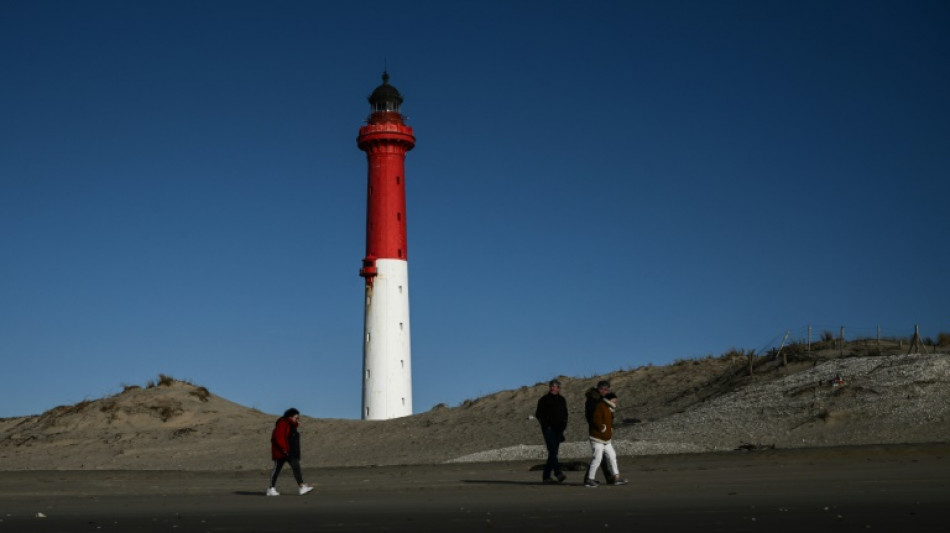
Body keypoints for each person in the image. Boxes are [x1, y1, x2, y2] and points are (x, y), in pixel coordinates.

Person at [266, 408, 314, 496]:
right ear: (290, 417)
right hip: (281, 452)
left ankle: (302, 487)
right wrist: (284, 449)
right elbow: (278, 437)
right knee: (277, 470)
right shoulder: (283, 423)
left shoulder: (292, 426)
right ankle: (271, 488)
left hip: (291, 453)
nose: (298, 419)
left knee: (296, 467)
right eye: (296, 417)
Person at [584, 392, 629, 487]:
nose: (615, 401)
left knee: (612, 456)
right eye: (614, 400)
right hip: (597, 438)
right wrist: (602, 428)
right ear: (609, 400)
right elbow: (595, 419)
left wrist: (609, 429)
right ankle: (589, 479)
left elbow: (609, 422)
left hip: (606, 439)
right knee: (597, 458)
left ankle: (616, 478)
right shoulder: (601, 406)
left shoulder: (610, 408)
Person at [535, 379, 568, 483]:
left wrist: (563, 425)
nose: (553, 388)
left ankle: (546, 477)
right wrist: (546, 426)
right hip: (548, 430)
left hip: (559, 430)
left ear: (559, 388)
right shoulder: (544, 399)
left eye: (555, 386)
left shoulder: (562, 399)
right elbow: (538, 414)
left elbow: (565, 414)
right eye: (552, 386)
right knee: (552, 451)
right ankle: (557, 473)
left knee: (553, 453)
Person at [584, 380, 615, 483]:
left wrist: (609, 426)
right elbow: (590, 416)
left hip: (603, 431)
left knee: (600, 456)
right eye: (604, 389)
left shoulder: (603, 399)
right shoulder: (593, 399)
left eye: (607, 389)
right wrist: (600, 427)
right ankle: (591, 479)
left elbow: (609, 415)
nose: (606, 391)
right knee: (598, 456)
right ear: (600, 389)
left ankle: (607, 477)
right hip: (596, 432)